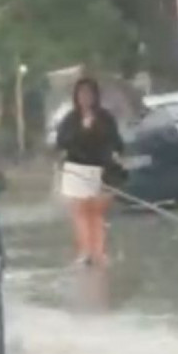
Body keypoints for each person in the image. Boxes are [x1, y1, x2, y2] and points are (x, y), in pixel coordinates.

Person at [56, 77, 125, 267]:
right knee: (80, 213)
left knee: (96, 213)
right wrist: (82, 130)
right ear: (76, 97)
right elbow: (62, 142)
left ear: (95, 96)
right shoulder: (70, 119)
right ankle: (85, 252)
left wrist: (117, 154)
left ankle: (99, 252)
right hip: (76, 170)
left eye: (89, 93)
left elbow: (116, 142)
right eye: (81, 94)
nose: (85, 98)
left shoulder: (105, 118)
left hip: (100, 171)